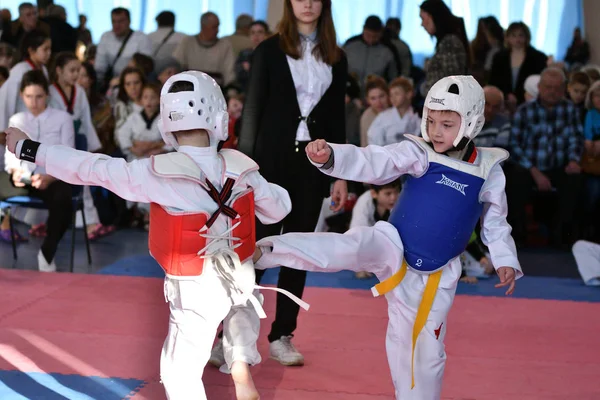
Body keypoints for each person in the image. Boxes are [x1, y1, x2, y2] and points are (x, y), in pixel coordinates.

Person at [4, 71, 305, 400]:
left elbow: (90, 166)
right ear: (220, 119)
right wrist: (254, 185)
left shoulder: (156, 171)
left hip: (196, 291)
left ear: (167, 123)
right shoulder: (242, 168)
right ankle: (240, 365)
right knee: (242, 311)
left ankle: (229, 367)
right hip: (242, 281)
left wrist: (26, 148)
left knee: (180, 372)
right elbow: (279, 209)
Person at [252, 75, 522, 400]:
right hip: (392, 245)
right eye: (431, 121)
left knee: (426, 354)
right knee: (350, 246)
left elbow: (496, 220)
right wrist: (331, 157)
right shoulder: (420, 152)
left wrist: (505, 258)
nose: (436, 131)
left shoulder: (488, 170)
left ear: (473, 123)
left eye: (447, 124)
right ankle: (267, 250)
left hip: (435, 278)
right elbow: (375, 161)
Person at [233, 0, 348, 366]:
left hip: (313, 165)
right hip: (268, 161)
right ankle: (231, 335)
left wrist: (340, 171)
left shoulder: (336, 56)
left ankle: (283, 334)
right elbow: (251, 111)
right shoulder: (268, 50)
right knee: (257, 248)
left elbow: (337, 118)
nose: (308, 3)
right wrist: (244, 169)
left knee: (298, 249)